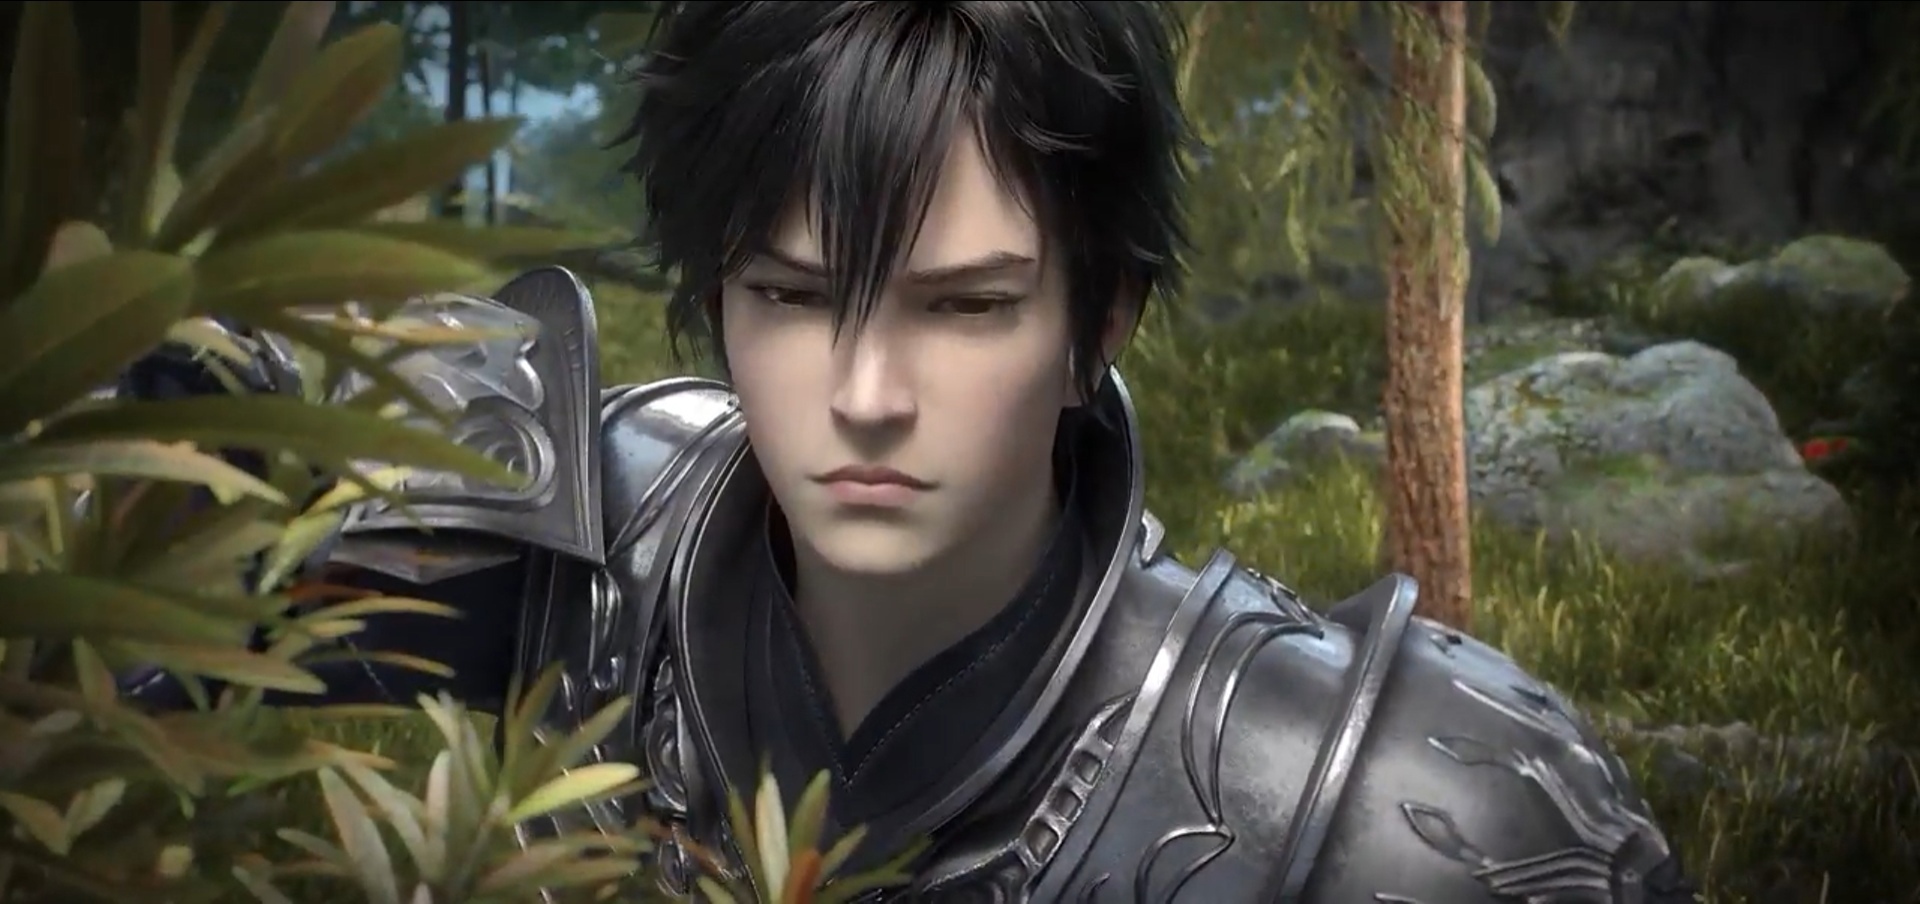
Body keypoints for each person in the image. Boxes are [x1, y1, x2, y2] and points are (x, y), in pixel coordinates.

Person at [124, 2, 1696, 901]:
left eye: (967, 307)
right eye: (794, 296)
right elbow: (143, 540)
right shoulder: (589, 520)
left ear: (1100, 321)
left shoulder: (1380, 798)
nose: (865, 393)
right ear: (713, 299)